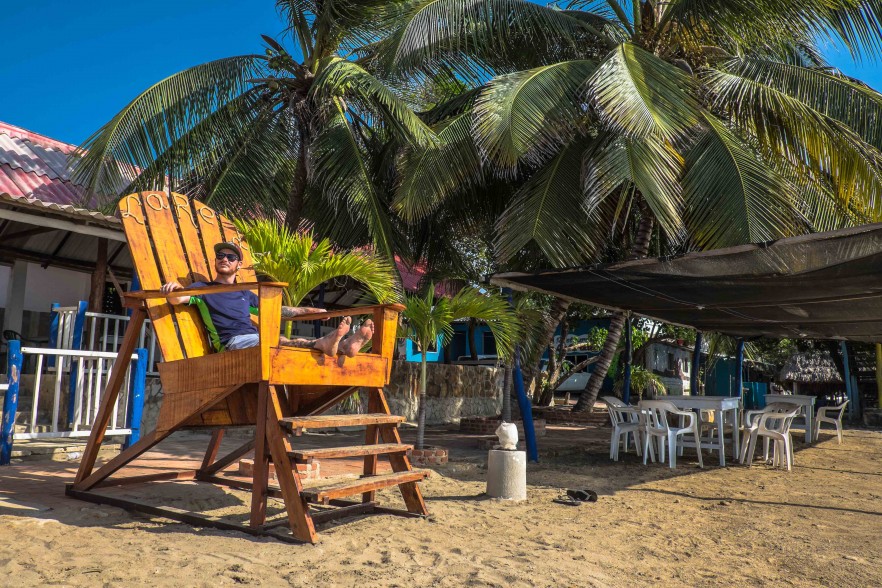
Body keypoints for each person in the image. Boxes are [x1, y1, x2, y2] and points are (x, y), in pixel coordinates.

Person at [160, 242, 373, 357]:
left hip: (255, 340)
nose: (225, 259)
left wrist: (311, 311)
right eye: (221, 256)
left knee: (275, 341)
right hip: (231, 345)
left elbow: (278, 311)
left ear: (238, 265)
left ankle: (344, 346)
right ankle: (327, 343)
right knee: (276, 341)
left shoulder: (244, 293)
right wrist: (173, 289)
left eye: (231, 257)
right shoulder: (202, 290)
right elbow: (177, 300)